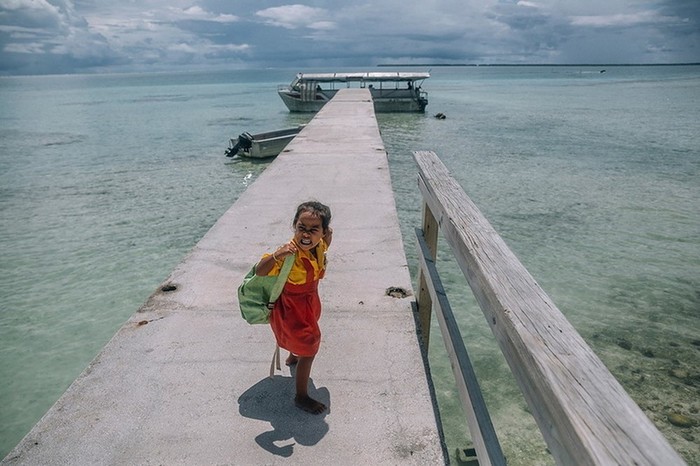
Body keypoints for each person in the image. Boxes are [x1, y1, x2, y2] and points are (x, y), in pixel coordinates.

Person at [255, 201, 333, 414]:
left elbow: (326, 242)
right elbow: (259, 271)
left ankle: (292, 356)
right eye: (302, 228)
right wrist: (276, 255)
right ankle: (301, 396)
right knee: (309, 346)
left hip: (309, 302)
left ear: (322, 232)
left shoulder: (319, 245)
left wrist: (327, 236)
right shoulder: (288, 254)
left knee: (303, 334)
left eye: (313, 229)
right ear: (294, 226)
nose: (306, 234)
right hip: (292, 306)